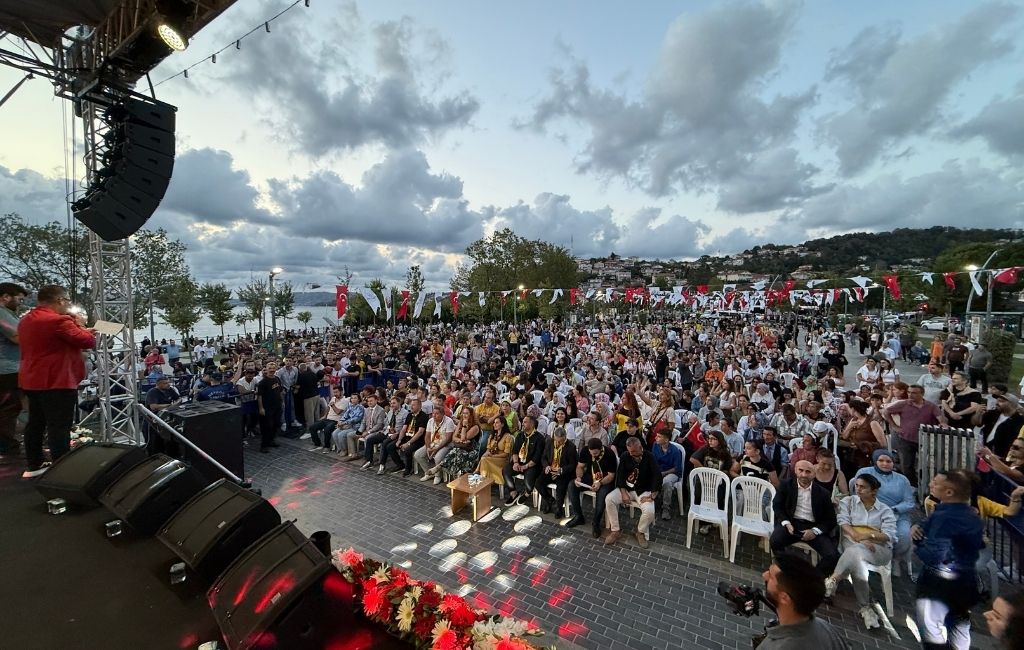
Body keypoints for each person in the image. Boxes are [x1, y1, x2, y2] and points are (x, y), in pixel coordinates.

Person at [17, 285, 96, 477]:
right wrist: (81, 326)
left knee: (36, 423)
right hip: (56, 380)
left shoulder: (26, 320)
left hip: (32, 380)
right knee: (59, 426)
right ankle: (62, 469)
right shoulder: (59, 320)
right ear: (60, 300)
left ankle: (34, 464)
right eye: (67, 300)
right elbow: (87, 342)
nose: (68, 304)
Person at [912, 469, 986, 650]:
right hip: (966, 581)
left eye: (936, 483)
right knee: (959, 626)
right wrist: (918, 526)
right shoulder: (970, 515)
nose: (931, 484)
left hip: (939, 582)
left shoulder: (945, 517)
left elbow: (936, 555)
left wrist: (918, 545)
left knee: (931, 630)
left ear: (949, 492)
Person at [824, 474, 897, 629]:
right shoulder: (848, 502)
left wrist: (868, 535)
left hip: (878, 549)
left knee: (855, 553)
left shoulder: (885, 510)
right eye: (857, 485)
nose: (858, 489)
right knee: (858, 558)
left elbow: (888, 535)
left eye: (863, 487)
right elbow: (843, 521)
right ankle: (865, 607)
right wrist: (858, 537)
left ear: (874, 491)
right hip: (852, 542)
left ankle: (833, 580)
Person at [759, 554, 850, 649]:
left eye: (770, 576)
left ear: (784, 598)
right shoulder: (828, 630)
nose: (764, 576)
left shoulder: (779, 647)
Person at [770, 460, 839, 575]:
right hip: (791, 523)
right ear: (795, 471)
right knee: (775, 541)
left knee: (832, 555)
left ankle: (813, 579)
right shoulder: (786, 485)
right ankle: (786, 571)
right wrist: (786, 523)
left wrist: (815, 531)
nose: (804, 475)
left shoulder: (823, 493)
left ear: (814, 474)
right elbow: (777, 506)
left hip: (813, 526)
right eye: (801, 470)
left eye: (808, 472)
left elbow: (831, 519)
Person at [854, 449, 915, 567]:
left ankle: (896, 559)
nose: (885, 464)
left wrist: (894, 509)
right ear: (875, 461)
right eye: (881, 460)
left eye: (889, 461)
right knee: (873, 535)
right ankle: (874, 559)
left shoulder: (902, 479)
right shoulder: (865, 472)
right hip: (871, 512)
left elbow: (909, 501)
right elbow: (857, 493)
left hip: (897, 513)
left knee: (904, 535)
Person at [604, 436, 660, 549]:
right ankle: (615, 530)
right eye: (630, 451)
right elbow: (620, 475)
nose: (631, 454)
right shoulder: (625, 455)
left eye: (634, 451)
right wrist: (623, 492)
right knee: (609, 499)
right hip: (627, 488)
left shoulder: (649, 456)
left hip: (643, 490)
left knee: (649, 511)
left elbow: (657, 476)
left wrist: (653, 495)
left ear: (640, 447)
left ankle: (640, 531)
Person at [883, 384, 943, 486]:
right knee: (906, 465)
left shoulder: (931, 406)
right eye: (909, 392)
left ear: (922, 394)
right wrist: (894, 426)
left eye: (914, 393)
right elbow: (886, 411)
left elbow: (941, 419)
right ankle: (912, 486)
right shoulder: (903, 404)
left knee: (928, 465)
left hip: (925, 440)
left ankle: (926, 485)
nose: (910, 395)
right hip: (905, 439)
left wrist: (942, 424)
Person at [566, 437, 618, 536]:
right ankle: (578, 516)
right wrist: (578, 477)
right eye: (591, 453)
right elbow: (580, 466)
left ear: (601, 448)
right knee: (572, 485)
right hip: (590, 477)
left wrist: (600, 483)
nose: (592, 455)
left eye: (595, 453)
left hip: (605, 479)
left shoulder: (609, 454)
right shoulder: (585, 450)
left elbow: (611, 475)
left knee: (602, 494)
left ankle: (596, 522)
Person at [0, 282, 27, 457]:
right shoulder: (2, 313)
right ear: (5, 297)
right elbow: (18, 337)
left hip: (10, 368)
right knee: (8, 409)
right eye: (19, 299)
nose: (20, 303)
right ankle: (6, 446)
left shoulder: (9, 314)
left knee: (12, 408)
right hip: (7, 370)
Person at [502, 415, 545, 506]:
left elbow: (537, 457)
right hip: (520, 461)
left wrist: (526, 466)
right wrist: (516, 463)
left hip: (532, 464)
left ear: (532, 424)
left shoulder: (539, 438)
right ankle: (513, 493)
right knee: (506, 470)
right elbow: (515, 451)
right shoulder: (520, 435)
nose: (522, 423)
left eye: (525, 422)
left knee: (528, 479)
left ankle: (527, 493)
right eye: (523, 422)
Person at [538, 426, 578, 517]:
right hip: (550, 469)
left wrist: (562, 470)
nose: (559, 443)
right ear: (554, 437)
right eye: (557, 440)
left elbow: (573, 464)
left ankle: (559, 508)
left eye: (561, 441)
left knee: (561, 488)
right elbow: (543, 457)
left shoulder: (571, 447)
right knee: (538, 483)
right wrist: (546, 466)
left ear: (565, 438)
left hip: (563, 473)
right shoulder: (549, 442)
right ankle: (550, 501)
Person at [415, 397, 455, 480]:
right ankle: (429, 473)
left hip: (445, 444)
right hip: (433, 443)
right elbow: (427, 436)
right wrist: (428, 447)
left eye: (436, 414)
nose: (434, 415)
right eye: (433, 413)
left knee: (437, 457)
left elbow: (447, 439)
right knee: (418, 455)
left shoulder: (449, 421)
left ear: (442, 414)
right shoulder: (430, 421)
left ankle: (438, 475)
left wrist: (435, 450)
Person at [651, 428, 684, 520]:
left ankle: (666, 508)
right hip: (659, 471)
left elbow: (676, 468)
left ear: (666, 439)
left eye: (659, 437)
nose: (656, 438)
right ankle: (651, 501)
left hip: (672, 472)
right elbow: (653, 460)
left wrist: (664, 473)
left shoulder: (675, 451)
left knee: (667, 483)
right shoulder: (655, 446)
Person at [475, 414, 513, 486]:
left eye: (497, 422)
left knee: (485, 460)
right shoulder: (492, 435)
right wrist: (485, 455)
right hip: (491, 457)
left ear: (502, 424)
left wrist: (492, 456)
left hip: (502, 459)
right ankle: (484, 480)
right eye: (494, 422)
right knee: (483, 458)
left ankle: (480, 478)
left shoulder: (508, 436)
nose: (494, 424)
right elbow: (488, 450)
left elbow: (506, 454)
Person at [255, 362, 284, 453]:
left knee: (276, 424)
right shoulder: (263, 382)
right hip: (267, 408)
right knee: (266, 427)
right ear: (266, 369)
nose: (272, 370)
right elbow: (259, 396)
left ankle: (271, 441)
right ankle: (264, 445)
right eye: (270, 368)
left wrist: (282, 401)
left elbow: (280, 391)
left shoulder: (277, 379)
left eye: (273, 368)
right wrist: (261, 408)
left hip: (277, 406)